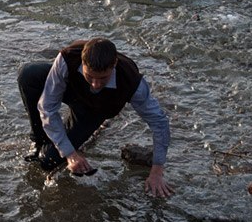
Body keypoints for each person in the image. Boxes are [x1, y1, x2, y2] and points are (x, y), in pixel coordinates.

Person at [17, 37, 174, 197]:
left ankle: (61, 140)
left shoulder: (132, 81)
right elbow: (48, 107)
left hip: (95, 110)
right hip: (72, 89)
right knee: (28, 74)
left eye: (102, 79)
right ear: (82, 63)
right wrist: (71, 154)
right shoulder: (67, 58)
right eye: (89, 76)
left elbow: (159, 123)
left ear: (114, 66)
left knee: (47, 160)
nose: (95, 84)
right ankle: (39, 139)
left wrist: (157, 172)